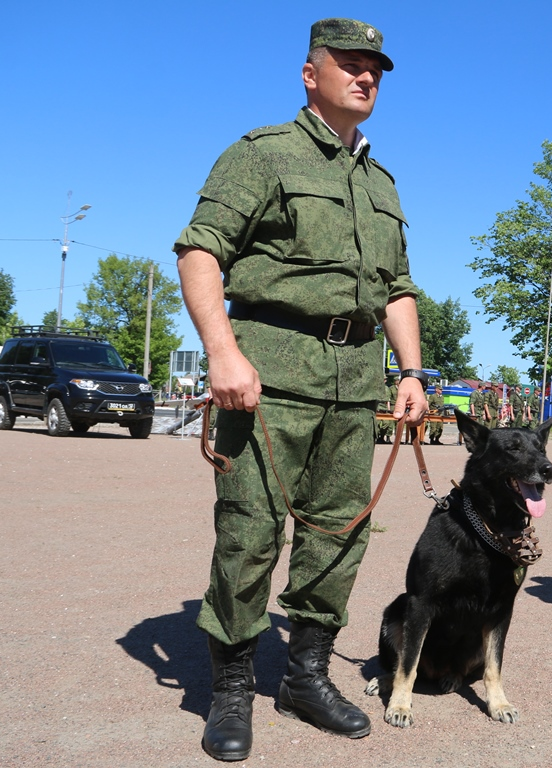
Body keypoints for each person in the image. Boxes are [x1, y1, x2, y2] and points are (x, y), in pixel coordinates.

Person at [174, 18, 428, 761]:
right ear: (309, 74)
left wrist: (411, 372)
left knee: (338, 535)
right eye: (349, 65)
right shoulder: (262, 155)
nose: (366, 77)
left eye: (375, 69)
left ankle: (306, 675)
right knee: (249, 533)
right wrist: (221, 353)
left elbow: (399, 290)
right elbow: (198, 252)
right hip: (267, 376)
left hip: (354, 385)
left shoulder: (381, 182)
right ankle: (228, 689)